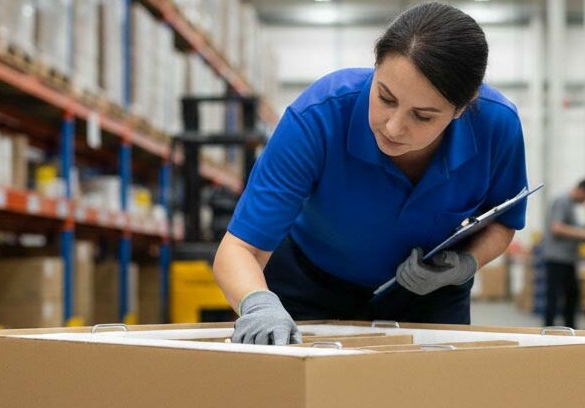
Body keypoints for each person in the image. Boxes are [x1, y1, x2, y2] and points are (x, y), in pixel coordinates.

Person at [212, 2, 529, 345]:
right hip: (309, 286)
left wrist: (467, 263)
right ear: (375, 67)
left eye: (422, 116)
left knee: (434, 395)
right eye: (385, 97)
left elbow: (504, 222)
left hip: (429, 295)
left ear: (463, 108)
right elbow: (239, 249)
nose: (393, 127)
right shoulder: (319, 117)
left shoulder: (497, 127)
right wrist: (258, 305)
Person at [541, 179, 585, 329]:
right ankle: (548, 331)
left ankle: (569, 329)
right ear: (583, 190)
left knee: (572, 296)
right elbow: (556, 228)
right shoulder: (562, 201)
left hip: (567, 259)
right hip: (557, 258)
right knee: (554, 297)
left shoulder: (570, 205)